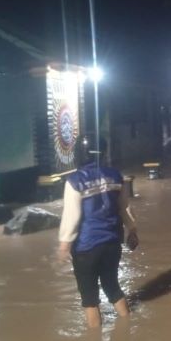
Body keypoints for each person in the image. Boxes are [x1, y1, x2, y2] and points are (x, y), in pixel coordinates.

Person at [58, 135, 139, 327]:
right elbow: (125, 208)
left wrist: (63, 245)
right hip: (112, 242)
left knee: (90, 299)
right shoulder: (116, 176)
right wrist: (133, 231)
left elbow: (72, 217)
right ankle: (128, 329)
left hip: (86, 247)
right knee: (112, 286)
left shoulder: (75, 181)